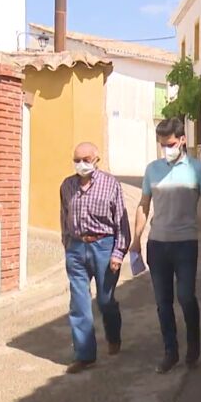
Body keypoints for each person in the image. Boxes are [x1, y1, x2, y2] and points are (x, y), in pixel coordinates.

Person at [130, 118, 201, 374]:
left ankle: (193, 346)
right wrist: (136, 239)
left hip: (185, 244)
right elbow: (143, 204)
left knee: (186, 297)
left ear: (182, 140)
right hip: (158, 245)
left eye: (170, 144)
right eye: (162, 145)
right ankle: (171, 352)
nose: (166, 149)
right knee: (162, 302)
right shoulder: (152, 170)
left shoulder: (198, 170)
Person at [59, 142, 131, 374]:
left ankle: (113, 335)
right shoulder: (67, 186)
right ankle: (85, 355)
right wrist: (67, 244)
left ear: (96, 160)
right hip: (77, 247)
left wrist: (118, 253)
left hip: (103, 246)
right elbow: (64, 216)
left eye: (86, 160)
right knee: (79, 303)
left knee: (105, 300)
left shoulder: (110, 184)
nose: (81, 164)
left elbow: (121, 221)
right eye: (77, 160)